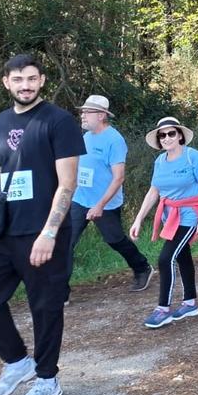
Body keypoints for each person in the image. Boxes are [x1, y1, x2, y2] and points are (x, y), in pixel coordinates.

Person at [0, 54, 85, 395]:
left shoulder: (59, 121)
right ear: (6, 83)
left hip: (41, 232)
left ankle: (48, 379)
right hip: (1, 231)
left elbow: (67, 184)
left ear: (42, 80)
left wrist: (49, 233)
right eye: (18, 80)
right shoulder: (1, 122)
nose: (25, 85)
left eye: (32, 78)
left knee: (45, 307)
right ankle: (18, 362)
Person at [128, 117, 198, 328]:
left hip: (191, 214)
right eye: (162, 135)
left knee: (165, 258)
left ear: (180, 135)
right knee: (182, 255)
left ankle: (163, 309)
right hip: (170, 216)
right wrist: (138, 219)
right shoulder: (159, 161)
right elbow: (154, 192)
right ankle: (190, 303)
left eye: (171, 133)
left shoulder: (193, 157)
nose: (166, 138)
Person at [68, 95, 152, 299]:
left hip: (105, 203)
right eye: (83, 111)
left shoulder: (115, 140)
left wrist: (100, 205)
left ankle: (142, 268)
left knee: (114, 240)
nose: (82, 115)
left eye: (87, 112)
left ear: (102, 115)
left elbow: (118, 178)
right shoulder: (85, 137)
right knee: (66, 242)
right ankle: (60, 290)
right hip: (80, 199)